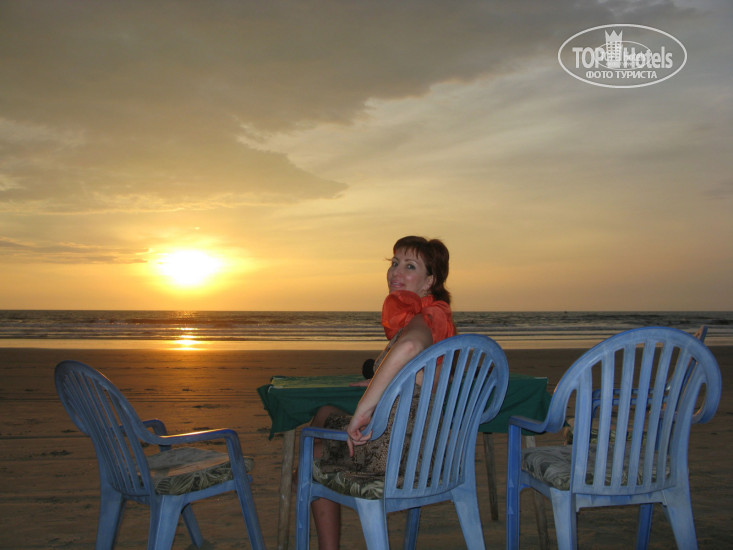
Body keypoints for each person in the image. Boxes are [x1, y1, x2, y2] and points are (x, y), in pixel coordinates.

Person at [309, 235, 456, 550]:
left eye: (410, 266)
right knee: (323, 421)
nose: (396, 272)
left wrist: (364, 409)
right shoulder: (438, 317)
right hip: (427, 452)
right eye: (394, 263)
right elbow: (428, 374)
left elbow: (411, 346)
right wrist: (386, 381)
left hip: (394, 455)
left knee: (311, 452)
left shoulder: (424, 317)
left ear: (429, 281)